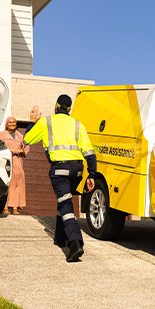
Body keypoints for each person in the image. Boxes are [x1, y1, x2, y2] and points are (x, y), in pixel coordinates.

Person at [23, 94, 96, 262]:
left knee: (65, 204)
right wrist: (91, 174)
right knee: (65, 200)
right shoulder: (78, 125)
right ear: (69, 109)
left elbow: (26, 139)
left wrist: (33, 120)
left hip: (60, 169)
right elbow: (90, 153)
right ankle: (59, 238)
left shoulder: (46, 122)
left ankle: (75, 242)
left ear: (55, 107)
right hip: (77, 170)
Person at [0, 116, 29, 215]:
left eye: (14, 122)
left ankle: (15, 207)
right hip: (7, 160)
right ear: (6, 123)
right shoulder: (1, 134)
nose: (12, 124)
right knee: (7, 183)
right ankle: (5, 207)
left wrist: (22, 151)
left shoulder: (20, 136)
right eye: (10, 122)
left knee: (17, 183)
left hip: (18, 161)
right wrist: (9, 150)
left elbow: (27, 147)